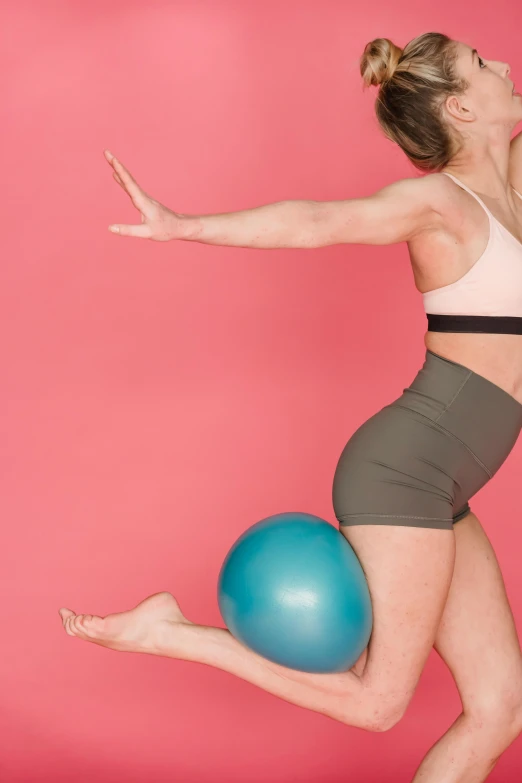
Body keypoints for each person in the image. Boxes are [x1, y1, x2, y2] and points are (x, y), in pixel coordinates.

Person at [59, 32, 522, 783]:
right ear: (463, 105)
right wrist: (187, 226)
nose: (504, 64)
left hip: (448, 482)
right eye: (482, 65)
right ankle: (175, 631)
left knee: (501, 705)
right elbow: (316, 222)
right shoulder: (442, 203)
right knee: (378, 701)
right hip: (405, 470)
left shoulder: (514, 186)